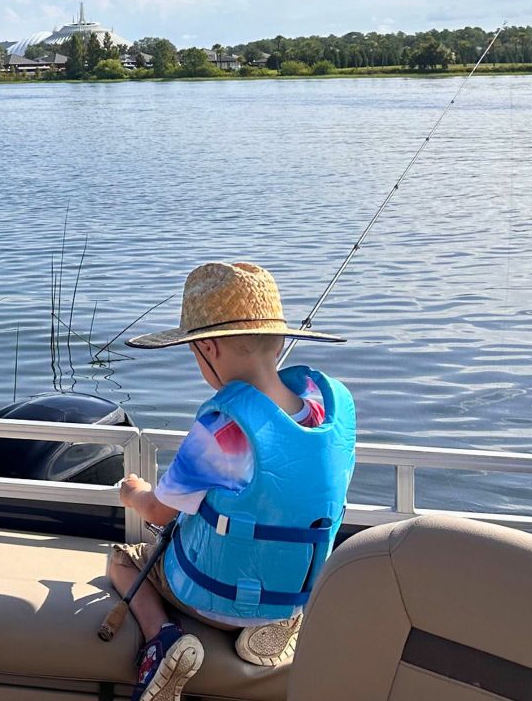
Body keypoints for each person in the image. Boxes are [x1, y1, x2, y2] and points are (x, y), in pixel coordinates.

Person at [108, 261, 356, 701]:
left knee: (123, 561)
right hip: (293, 596)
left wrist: (133, 493)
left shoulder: (221, 430)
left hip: (211, 598)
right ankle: (277, 623)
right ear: (280, 340)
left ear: (210, 349)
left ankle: (162, 640)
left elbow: (160, 510)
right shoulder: (326, 412)